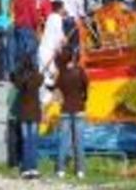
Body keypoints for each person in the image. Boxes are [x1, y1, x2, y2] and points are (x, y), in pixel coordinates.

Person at [55, 48, 89, 179]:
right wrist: (84, 97)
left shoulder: (62, 74)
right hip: (79, 108)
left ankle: (60, 169)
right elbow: (86, 85)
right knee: (79, 141)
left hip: (65, 109)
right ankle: (80, 170)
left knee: (64, 140)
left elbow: (57, 90)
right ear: (72, 58)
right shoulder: (80, 71)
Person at [12, 58, 43, 179]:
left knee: (26, 141)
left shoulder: (20, 79)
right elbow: (41, 77)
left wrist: (21, 72)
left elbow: (15, 80)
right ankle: (33, 167)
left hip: (24, 114)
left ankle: (26, 168)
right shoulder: (37, 77)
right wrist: (35, 71)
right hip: (34, 114)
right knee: (33, 141)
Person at [38, 0, 67, 104]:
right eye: (63, 7)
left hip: (43, 49)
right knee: (54, 74)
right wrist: (61, 43)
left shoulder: (51, 17)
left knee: (46, 74)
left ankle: (46, 98)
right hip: (48, 51)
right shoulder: (58, 18)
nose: (65, 9)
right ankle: (52, 96)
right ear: (60, 8)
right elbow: (58, 35)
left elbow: (57, 33)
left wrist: (62, 38)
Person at [12, 0, 39, 67]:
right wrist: (36, 26)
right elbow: (33, 12)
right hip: (28, 26)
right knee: (32, 52)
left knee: (19, 52)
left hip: (18, 26)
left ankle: (18, 75)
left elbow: (14, 11)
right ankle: (34, 74)